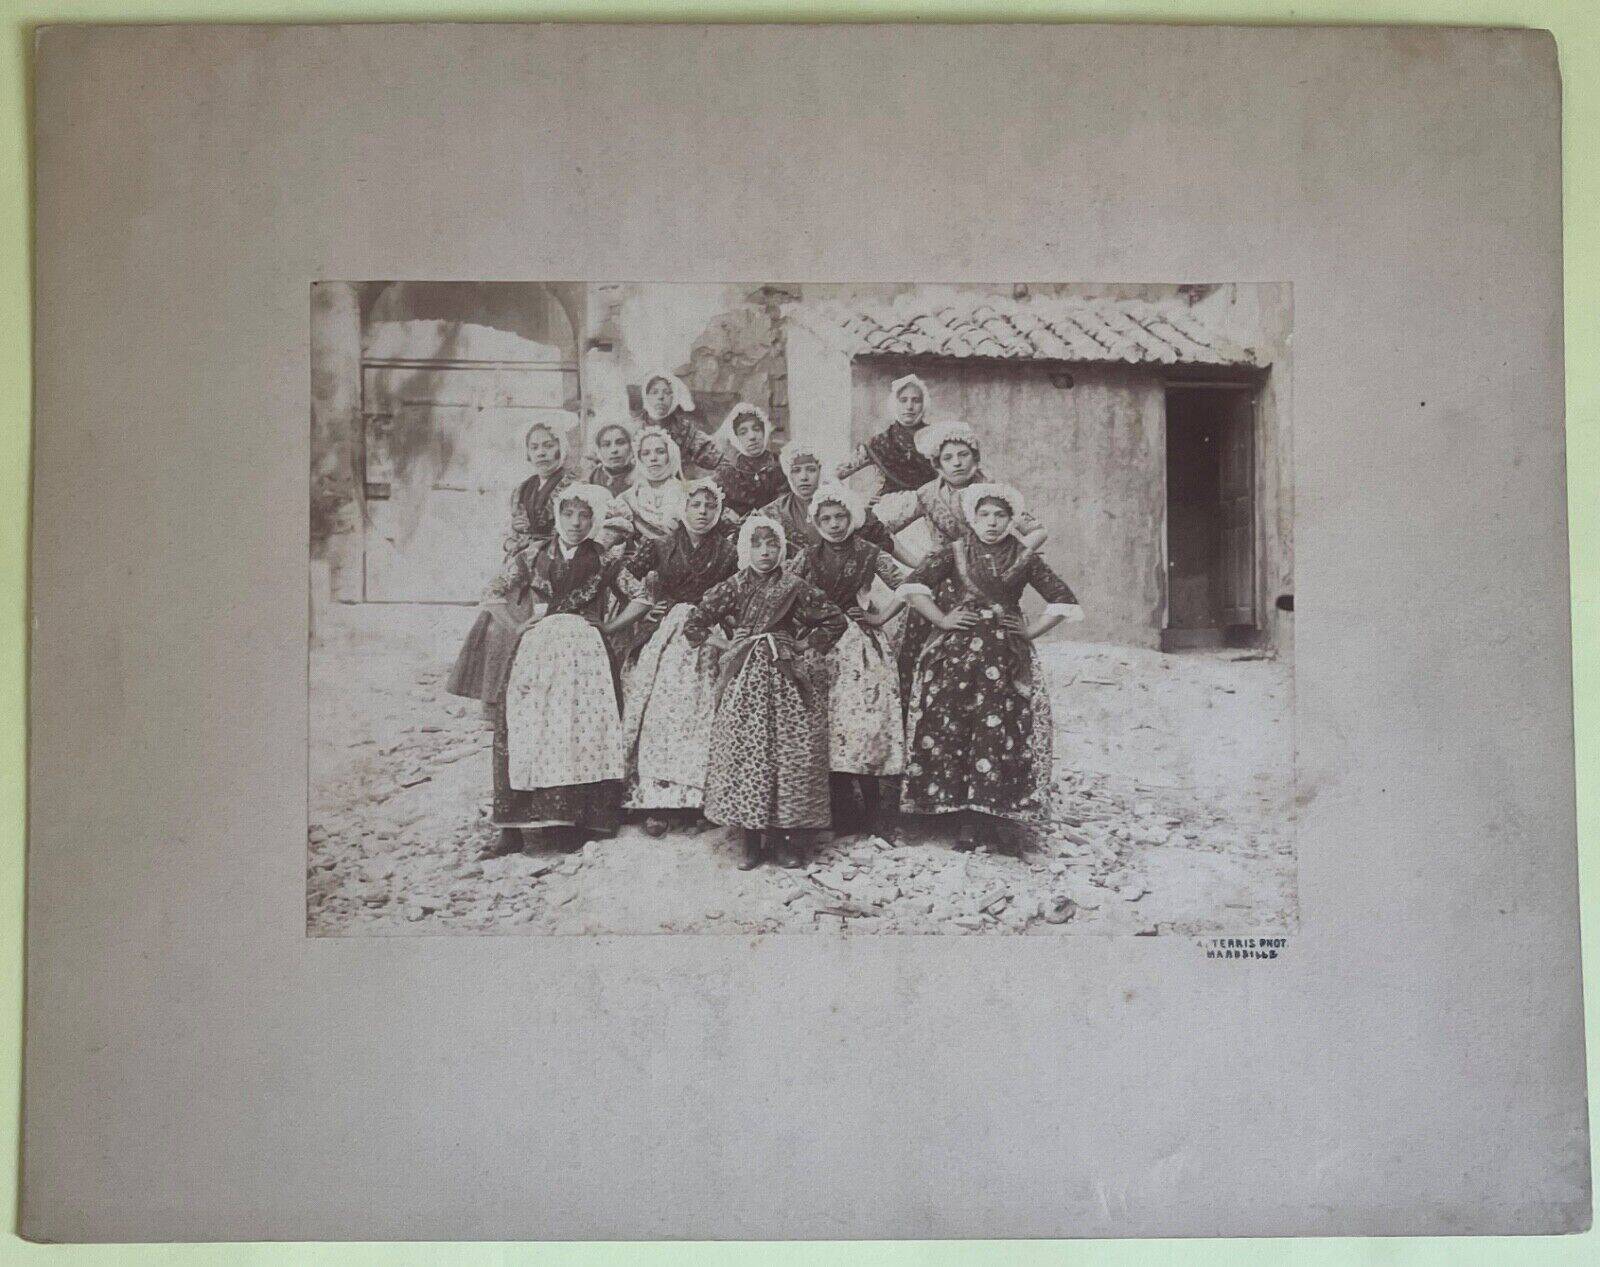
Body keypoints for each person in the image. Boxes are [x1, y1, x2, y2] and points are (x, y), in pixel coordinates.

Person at [895, 483, 1083, 852]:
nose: (992, 523)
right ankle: (955, 815)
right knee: (953, 722)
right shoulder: (955, 551)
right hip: (957, 653)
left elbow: (1063, 599)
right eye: (985, 515)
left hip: (1004, 654)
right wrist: (943, 620)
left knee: (999, 728)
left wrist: (1029, 631)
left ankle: (993, 816)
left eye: (1000, 515)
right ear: (972, 517)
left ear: (1012, 519)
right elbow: (913, 586)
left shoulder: (1023, 556)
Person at [685, 514, 846, 870]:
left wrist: (804, 645)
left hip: (786, 676)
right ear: (746, 548)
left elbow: (835, 619)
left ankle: (783, 840)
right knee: (748, 753)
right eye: (757, 545)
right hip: (744, 678)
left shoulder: (794, 585)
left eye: (772, 545)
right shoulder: (734, 585)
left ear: (781, 549)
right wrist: (726, 641)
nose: (765, 552)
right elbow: (695, 622)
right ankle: (749, 842)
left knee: (786, 754)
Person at [487, 483, 637, 857]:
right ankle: (513, 828)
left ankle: (575, 822)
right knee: (526, 728)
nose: (575, 522)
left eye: (584, 515)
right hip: (537, 650)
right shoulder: (534, 554)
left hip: (585, 655)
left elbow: (641, 597)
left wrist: (610, 627)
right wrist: (516, 625)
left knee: (578, 731)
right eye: (569, 514)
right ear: (557, 516)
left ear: (594, 520)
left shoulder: (604, 558)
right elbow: (492, 593)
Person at [871, 419, 1049, 709]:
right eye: (948, 458)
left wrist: (1010, 559)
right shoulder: (927, 494)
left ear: (975, 457)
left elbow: (1038, 530)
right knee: (920, 656)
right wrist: (919, 562)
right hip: (938, 588)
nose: (957, 463)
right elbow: (880, 529)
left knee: (993, 662)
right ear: (937, 464)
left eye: (963, 455)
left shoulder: (994, 493)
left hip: (985, 589)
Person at [606, 480, 739, 835]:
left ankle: (697, 799)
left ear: (718, 512)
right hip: (667, 634)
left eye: (709, 507)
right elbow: (620, 574)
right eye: (695, 505)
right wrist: (645, 605)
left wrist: (724, 626)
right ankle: (656, 801)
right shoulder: (661, 545)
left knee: (702, 709)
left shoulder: (728, 551)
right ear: (684, 508)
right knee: (661, 709)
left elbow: (741, 590)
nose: (701, 512)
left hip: (708, 634)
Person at [791, 483, 910, 836]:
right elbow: (784, 591)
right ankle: (841, 811)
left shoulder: (869, 553)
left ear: (852, 518)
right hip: (822, 647)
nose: (834, 524)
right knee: (829, 724)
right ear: (816, 522)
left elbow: (909, 584)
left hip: (860, 648)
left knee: (864, 725)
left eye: (840, 516)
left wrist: (881, 616)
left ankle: (873, 813)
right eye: (825, 518)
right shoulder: (807, 556)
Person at [446, 413, 578, 707]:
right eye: (535, 447)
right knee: (498, 624)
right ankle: (499, 704)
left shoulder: (572, 485)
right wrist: (512, 542)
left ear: (561, 448)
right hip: (521, 562)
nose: (542, 452)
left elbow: (573, 529)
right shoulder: (524, 488)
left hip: (556, 563)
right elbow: (514, 527)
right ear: (527, 453)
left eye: (548, 445)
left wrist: (537, 548)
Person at [758, 439, 903, 560]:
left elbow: (880, 536)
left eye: (811, 469)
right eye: (796, 471)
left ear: (820, 470)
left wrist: (917, 565)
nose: (804, 477)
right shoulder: (773, 512)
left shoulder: (842, 502)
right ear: (788, 474)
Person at [834, 372, 937, 505]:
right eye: (903, 400)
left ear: (924, 404)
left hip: (928, 508)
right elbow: (835, 476)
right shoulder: (879, 442)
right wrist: (861, 499)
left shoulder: (937, 437)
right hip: (889, 511)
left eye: (916, 400)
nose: (909, 406)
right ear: (895, 403)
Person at [608, 424, 688, 549]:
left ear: (670, 455)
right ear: (639, 458)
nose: (653, 458)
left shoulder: (687, 494)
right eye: (646, 453)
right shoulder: (627, 499)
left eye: (660, 452)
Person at [637, 369, 724, 476]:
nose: (660, 397)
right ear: (646, 396)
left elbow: (716, 460)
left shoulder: (684, 429)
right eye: (654, 392)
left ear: (674, 397)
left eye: (667, 392)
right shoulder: (635, 428)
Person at [711, 402, 788, 519]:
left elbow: (787, 503)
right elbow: (714, 503)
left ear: (764, 431)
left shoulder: (782, 465)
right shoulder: (728, 472)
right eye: (743, 432)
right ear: (735, 438)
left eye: (756, 429)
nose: (752, 437)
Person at [584, 415, 638, 496]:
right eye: (606, 445)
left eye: (620, 442)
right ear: (598, 449)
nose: (614, 450)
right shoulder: (593, 475)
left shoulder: (641, 475)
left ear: (631, 445)